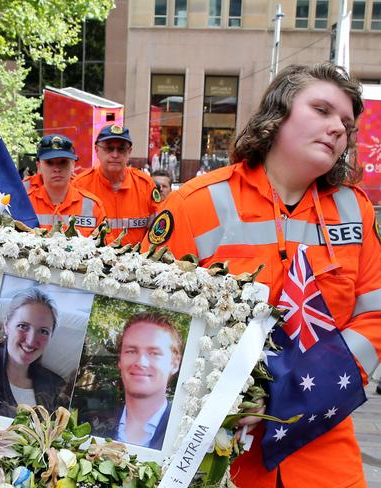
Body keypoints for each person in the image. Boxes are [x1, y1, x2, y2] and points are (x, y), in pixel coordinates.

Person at [144, 63, 381, 487]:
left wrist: (288, 393)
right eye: (322, 110)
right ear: (278, 113)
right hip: (215, 454)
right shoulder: (194, 204)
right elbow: (147, 318)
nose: (337, 129)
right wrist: (230, 397)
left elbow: (374, 317)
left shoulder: (355, 210)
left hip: (323, 442)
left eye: (346, 123)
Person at [95, 312, 182, 450]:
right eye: (131, 351)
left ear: (174, 364)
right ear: (120, 361)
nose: (141, 362)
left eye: (154, 353)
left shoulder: (184, 432)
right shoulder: (92, 424)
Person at [0, 287, 69, 417]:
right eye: (23, 326)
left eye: (43, 331)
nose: (31, 341)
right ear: (7, 325)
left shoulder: (56, 388)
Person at [73, 124, 160, 245]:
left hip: (136, 261)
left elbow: (158, 230)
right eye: (109, 148)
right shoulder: (79, 185)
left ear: (129, 152)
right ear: (97, 150)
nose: (115, 155)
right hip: (94, 261)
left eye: (121, 149)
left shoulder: (145, 185)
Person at [24, 134, 106, 236]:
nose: (57, 169)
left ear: (73, 165)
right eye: (49, 162)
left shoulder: (93, 206)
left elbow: (104, 248)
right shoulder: (25, 203)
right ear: (39, 166)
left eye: (63, 162)